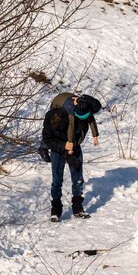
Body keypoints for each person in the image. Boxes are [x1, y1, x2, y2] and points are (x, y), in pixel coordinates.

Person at [41, 93, 101, 222]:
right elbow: (48, 138)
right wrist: (64, 147)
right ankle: (56, 209)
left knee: (78, 178)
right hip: (58, 149)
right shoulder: (53, 116)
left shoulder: (82, 107)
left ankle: (78, 207)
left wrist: (95, 134)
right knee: (57, 179)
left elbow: (94, 112)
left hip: (75, 146)